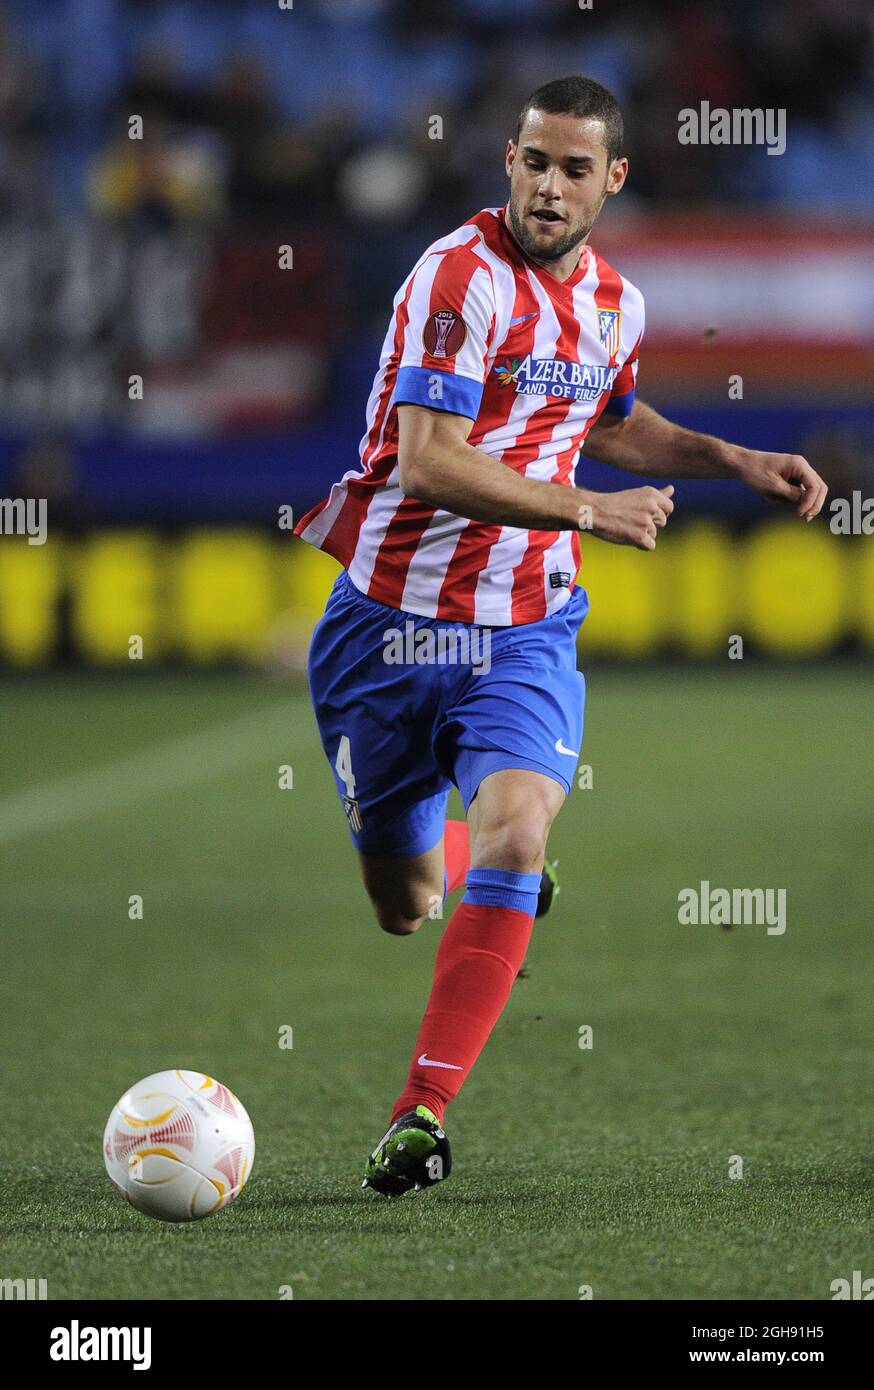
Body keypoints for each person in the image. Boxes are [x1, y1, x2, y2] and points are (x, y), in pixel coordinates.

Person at [293, 75, 827, 1196]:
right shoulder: (456, 279)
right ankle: (462, 863)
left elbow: (615, 422)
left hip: (525, 624)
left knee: (522, 834)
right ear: (509, 160)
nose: (548, 186)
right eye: (534, 161)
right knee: (403, 906)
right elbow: (430, 458)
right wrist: (589, 508)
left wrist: (736, 461)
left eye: (573, 168)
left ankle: (419, 1113)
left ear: (611, 180)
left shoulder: (614, 307)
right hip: (386, 630)